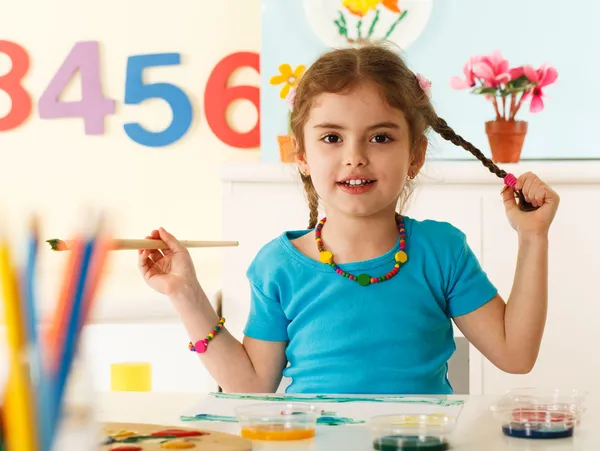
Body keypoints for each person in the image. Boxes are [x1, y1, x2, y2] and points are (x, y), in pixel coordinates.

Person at [138, 44, 559, 395]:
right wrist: (185, 293)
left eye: (380, 137)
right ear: (301, 156)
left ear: (415, 155)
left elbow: (516, 356)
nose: (355, 156)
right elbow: (251, 388)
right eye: (331, 138)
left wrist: (532, 238)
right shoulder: (278, 266)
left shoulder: (442, 251)